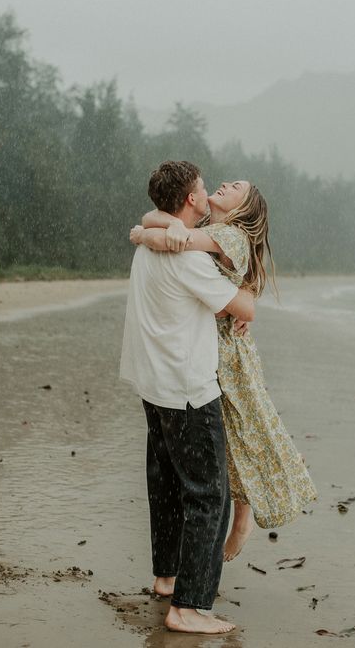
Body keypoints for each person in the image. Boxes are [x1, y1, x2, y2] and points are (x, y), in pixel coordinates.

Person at [132, 178, 317, 562]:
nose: (225, 183)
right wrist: (153, 225)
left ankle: (243, 517)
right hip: (205, 345)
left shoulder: (230, 236)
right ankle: (229, 520)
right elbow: (156, 218)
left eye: (236, 187)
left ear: (241, 210)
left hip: (230, 353)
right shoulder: (206, 229)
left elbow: (174, 242)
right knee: (227, 437)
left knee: (247, 429)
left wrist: (147, 234)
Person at [120, 161, 255, 634]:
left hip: (151, 383)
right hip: (187, 390)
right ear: (192, 200)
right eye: (202, 187)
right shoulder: (188, 257)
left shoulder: (151, 246)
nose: (208, 189)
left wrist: (154, 228)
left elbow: (150, 224)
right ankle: (190, 606)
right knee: (208, 495)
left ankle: (166, 576)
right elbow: (243, 307)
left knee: (166, 484)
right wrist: (243, 290)